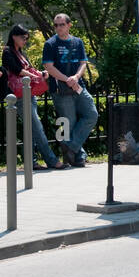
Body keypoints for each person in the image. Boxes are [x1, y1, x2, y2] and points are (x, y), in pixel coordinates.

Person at [2, 24, 67, 170]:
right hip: (19, 96)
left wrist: (39, 73)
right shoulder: (8, 52)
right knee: (37, 129)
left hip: (28, 94)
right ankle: (52, 160)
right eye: (23, 37)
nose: (25, 40)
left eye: (27, 38)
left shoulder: (21, 53)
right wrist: (33, 75)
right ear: (14, 36)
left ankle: (31, 162)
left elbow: (28, 68)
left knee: (30, 130)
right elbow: (16, 70)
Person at [42, 13, 97, 167]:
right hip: (61, 90)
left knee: (91, 114)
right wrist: (67, 79)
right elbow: (49, 67)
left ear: (69, 25)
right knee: (68, 123)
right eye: (56, 25)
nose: (58, 27)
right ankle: (77, 157)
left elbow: (83, 63)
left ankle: (71, 149)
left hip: (78, 86)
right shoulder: (50, 44)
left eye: (62, 24)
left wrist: (76, 77)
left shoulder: (77, 42)